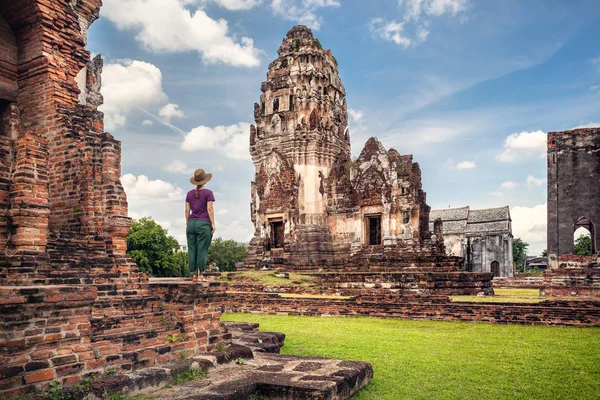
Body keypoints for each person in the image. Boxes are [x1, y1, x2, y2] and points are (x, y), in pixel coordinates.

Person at [185, 169, 215, 282]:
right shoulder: (208, 193)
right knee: (202, 249)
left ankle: (194, 274)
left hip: (191, 223)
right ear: (205, 181)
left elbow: (187, 209)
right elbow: (210, 208)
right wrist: (213, 223)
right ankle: (200, 274)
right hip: (203, 223)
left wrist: (188, 222)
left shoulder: (189, 194)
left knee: (192, 249)